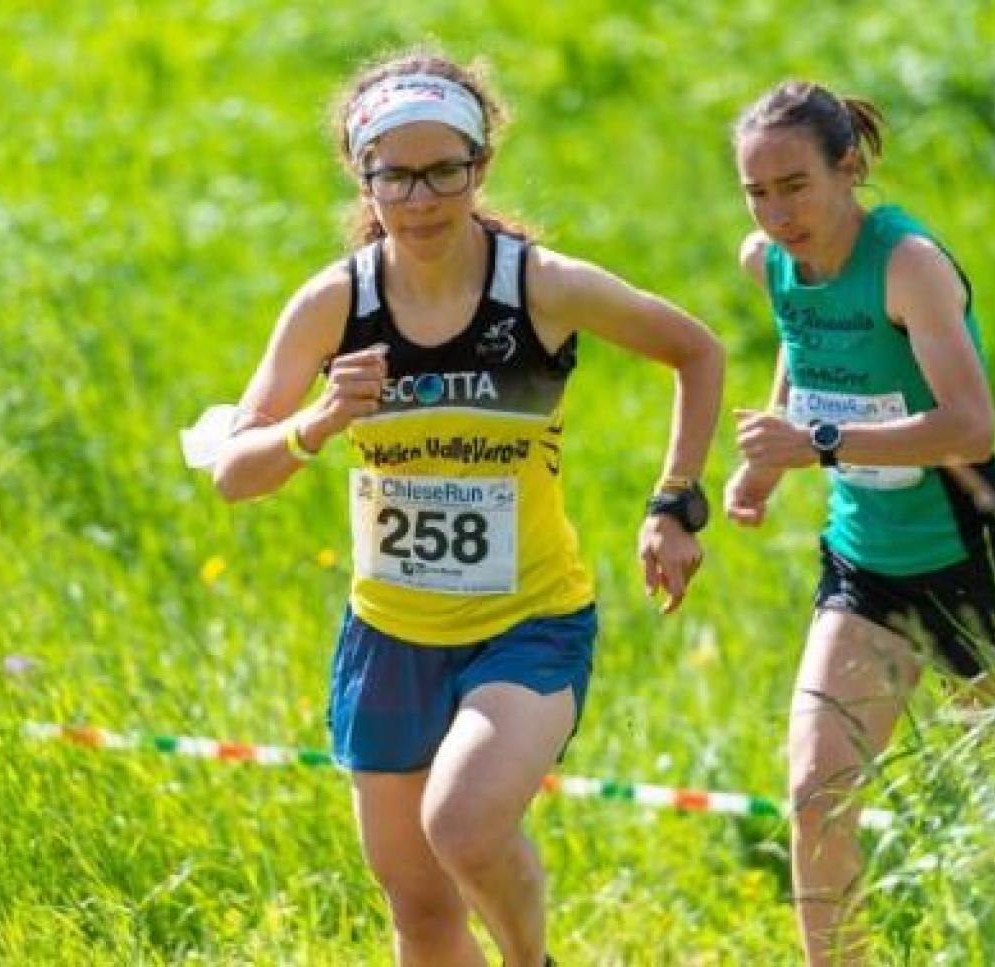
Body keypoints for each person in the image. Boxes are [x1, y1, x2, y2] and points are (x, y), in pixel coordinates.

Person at [204, 49, 723, 967]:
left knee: (466, 825)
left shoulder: (541, 287)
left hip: (528, 623)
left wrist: (675, 501)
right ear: (362, 175)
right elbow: (234, 473)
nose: (421, 198)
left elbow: (695, 350)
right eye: (395, 175)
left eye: (445, 169)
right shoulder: (335, 305)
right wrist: (320, 420)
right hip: (390, 637)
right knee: (420, 912)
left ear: (480, 166)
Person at [725, 79, 995, 966]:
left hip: (976, 558)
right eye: (757, 193)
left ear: (850, 167)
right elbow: (806, 350)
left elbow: (971, 425)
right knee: (813, 789)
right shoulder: (767, 261)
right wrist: (766, 458)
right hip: (864, 566)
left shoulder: (907, 261)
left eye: (794, 186)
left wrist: (818, 441)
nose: (776, 212)